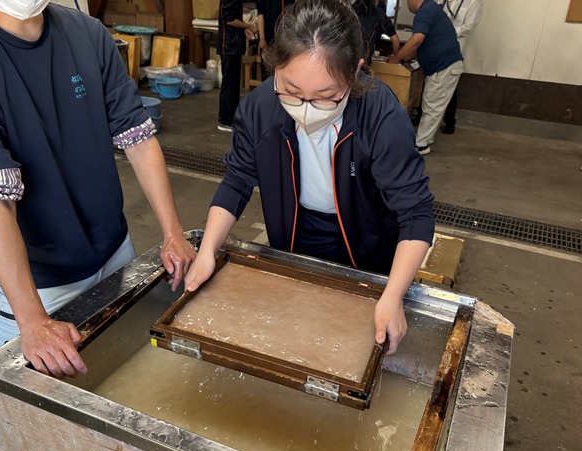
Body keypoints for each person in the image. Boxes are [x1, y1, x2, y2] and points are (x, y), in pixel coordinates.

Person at [0, 0, 196, 451]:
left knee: (121, 382)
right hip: (40, 286)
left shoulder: (87, 33)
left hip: (115, 256)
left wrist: (172, 233)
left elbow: (139, 138)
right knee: (5, 426)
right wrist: (32, 320)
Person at [185, 0, 435, 356]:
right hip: (293, 239)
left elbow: (415, 213)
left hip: (369, 247)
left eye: (326, 97)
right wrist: (208, 250)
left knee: (359, 348)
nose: (304, 109)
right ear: (275, 66)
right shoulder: (259, 109)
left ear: (356, 71)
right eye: (291, 91)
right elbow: (237, 181)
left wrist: (393, 295)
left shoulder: (380, 114)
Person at [387, 0, 462, 154]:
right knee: (432, 104)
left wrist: (396, 58)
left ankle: (421, 145)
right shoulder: (431, 9)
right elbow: (421, 44)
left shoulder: (425, 11)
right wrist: (405, 57)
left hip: (444, 66)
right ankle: (425, 139)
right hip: (444, 66)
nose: (407, 5)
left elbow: (417, 39)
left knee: (432, 105)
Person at [436, 0, 482, 134]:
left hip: (454, 48)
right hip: (435, 45)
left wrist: (447, 31)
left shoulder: (473, 2)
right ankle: (422, 114)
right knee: (429, 79)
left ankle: (449, 121)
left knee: (450, 85)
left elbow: (468, 26)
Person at [217, 0, 258, 132]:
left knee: (233, 85)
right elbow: (230, 20)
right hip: (229, 46)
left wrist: (244, 29)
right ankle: (225, 120)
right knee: (229, 85)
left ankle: (231, 118)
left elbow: (234, 19)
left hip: (233, 45)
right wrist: (248, 25)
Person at [349, 0, 400, 65]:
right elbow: (395, 40)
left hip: (345, 61)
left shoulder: (348, 10)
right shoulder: (378, 13)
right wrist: (395, 58)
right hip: (364, 63)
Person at [255, 0, 295, 78]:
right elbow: (260, 14)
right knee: (268, 70)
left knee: (284, 68)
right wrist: (262, 38)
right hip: (269, 38)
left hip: (286, 38)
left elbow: (292, 13)